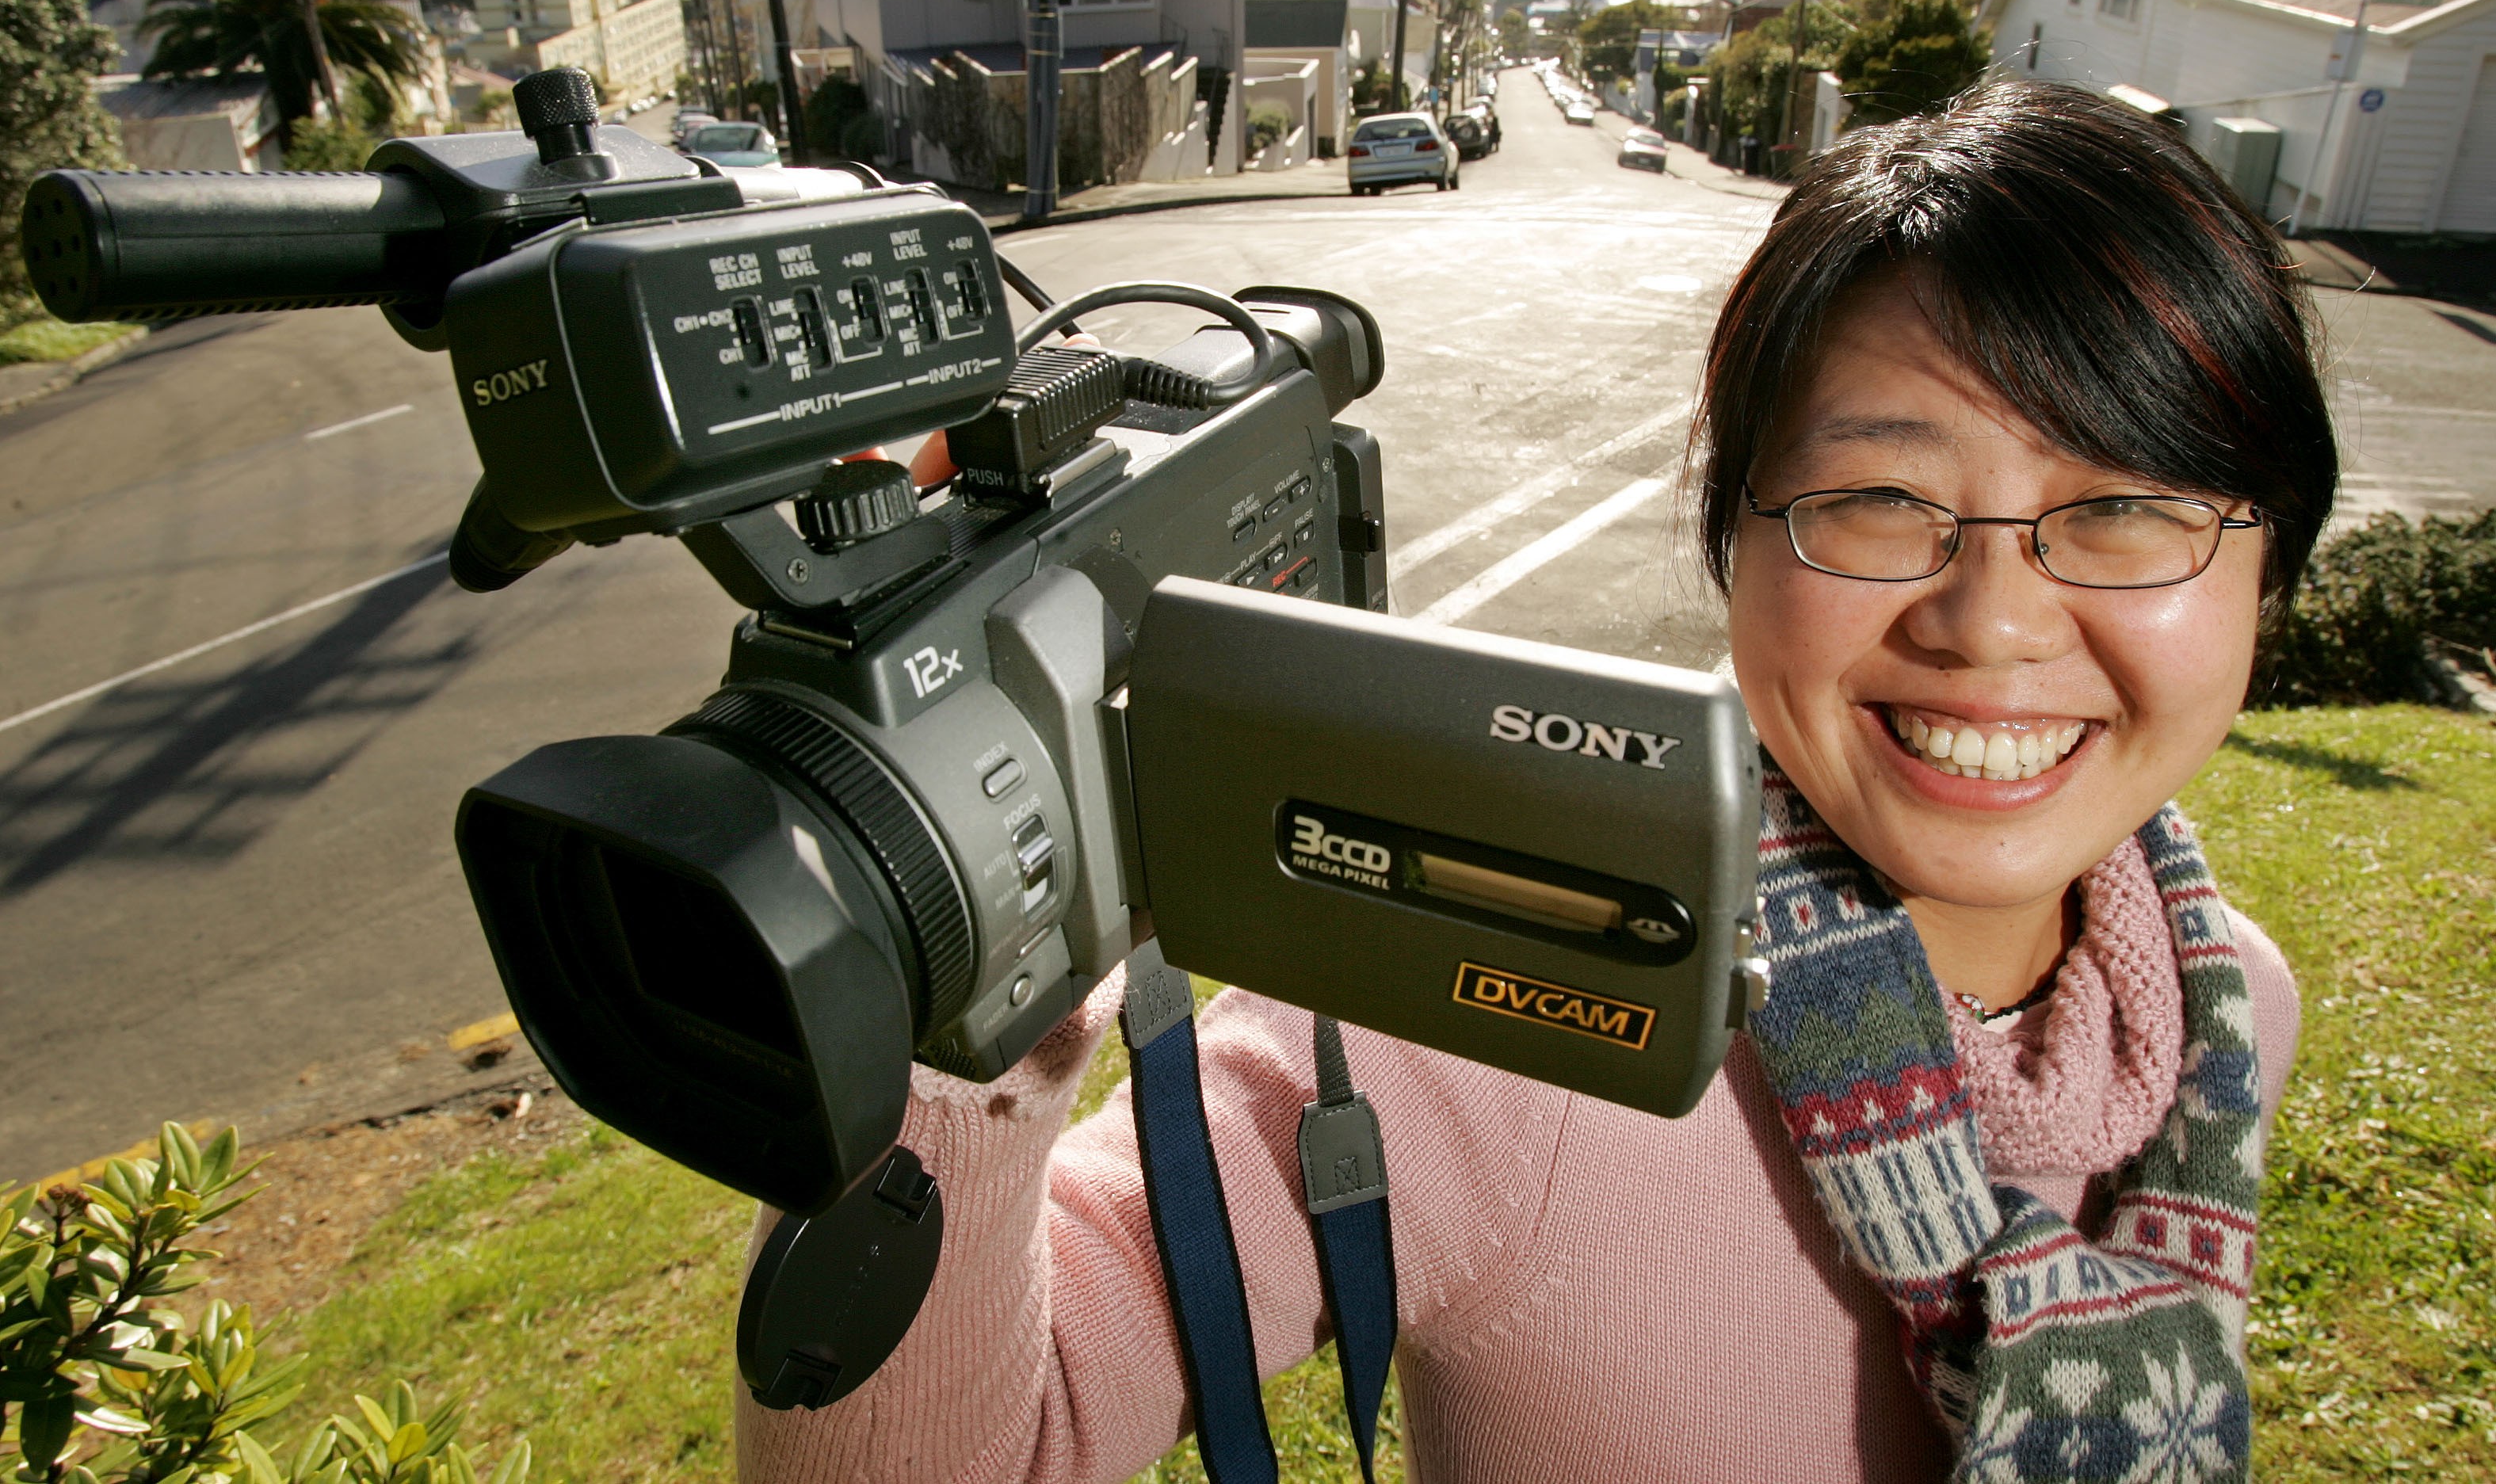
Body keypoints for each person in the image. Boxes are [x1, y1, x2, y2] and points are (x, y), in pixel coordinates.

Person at [742, 78, 2322, 1483]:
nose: (1991, 620)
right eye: (1878, 498)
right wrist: (959, 973)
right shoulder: (1485, 991)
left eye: (2128, 505)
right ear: (1737, 539)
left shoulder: (2220, 1004)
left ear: (2269, 567)